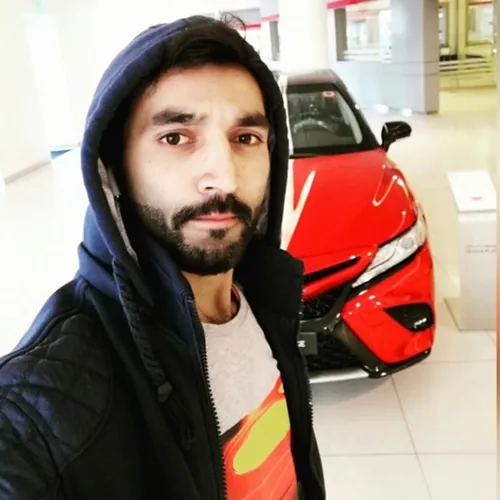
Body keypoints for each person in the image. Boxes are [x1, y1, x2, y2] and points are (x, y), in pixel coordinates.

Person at [0, 14, 325, 500]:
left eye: (245, 138)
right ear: (113, 170)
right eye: (175, 138)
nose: (224, 178)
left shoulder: (263, 297)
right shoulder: (37, 409)